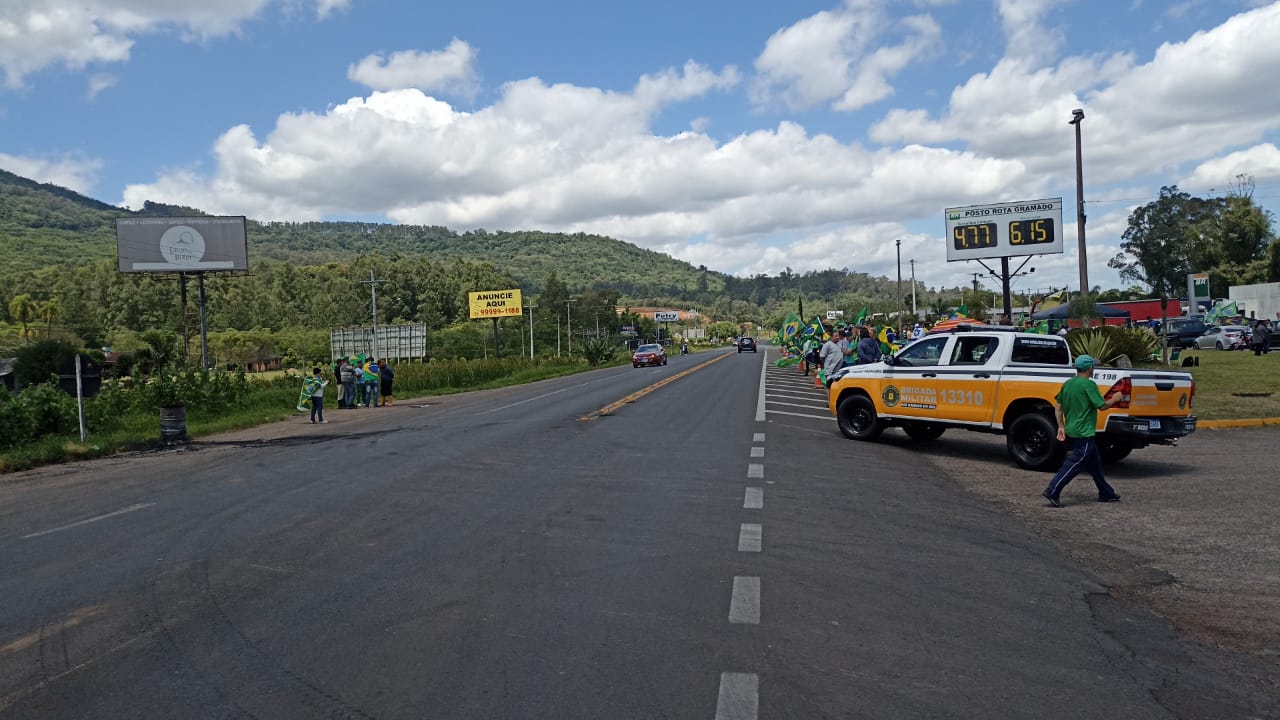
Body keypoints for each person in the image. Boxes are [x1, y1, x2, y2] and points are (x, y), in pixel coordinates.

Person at [1042, 355, 1124, 507]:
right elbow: (1102, 406)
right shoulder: (1089, 385)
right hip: (1084, 432)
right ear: (1089, 368)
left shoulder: (1068, 384)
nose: (1094, 369)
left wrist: (1061, 426)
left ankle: (1106, 492)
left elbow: (1058, 407)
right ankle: (1053, 490)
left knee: (1095, 463)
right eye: (1093, 366)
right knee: (1075, 462)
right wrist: (1115, 398)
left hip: (1072, 429)